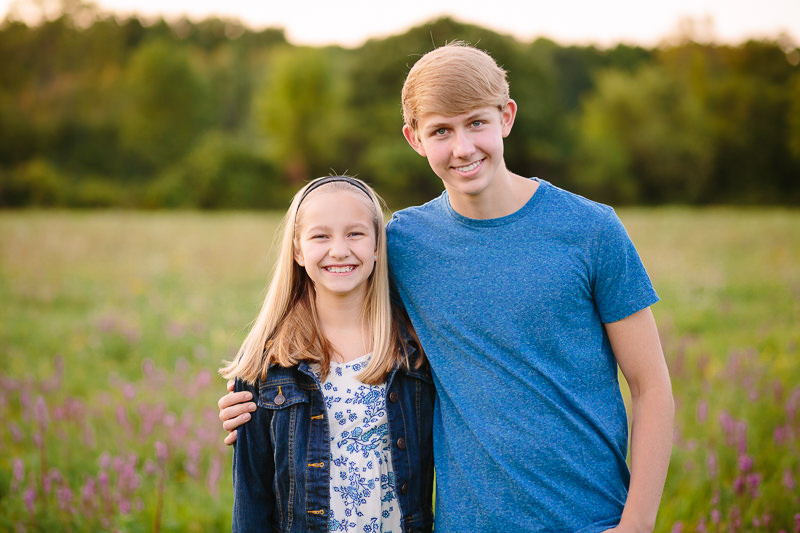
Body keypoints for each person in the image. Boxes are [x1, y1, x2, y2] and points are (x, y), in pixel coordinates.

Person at [219, 43, 674, 532]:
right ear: (414, 138)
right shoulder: (402, 243)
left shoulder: (592, 230)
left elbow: (651, 387)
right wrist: (256, 394)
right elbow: (322, 296)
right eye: (441, 130)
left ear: (506, 117)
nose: (462, 148)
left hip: (591, 518)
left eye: (476, 122)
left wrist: (636, 526)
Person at [219, 175, 434, 532]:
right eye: (320, 236)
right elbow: (251, 499)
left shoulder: (413, 352)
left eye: (355, 234)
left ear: (377, 246)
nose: (339, 250)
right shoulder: (268, 362)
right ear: (298, 251)